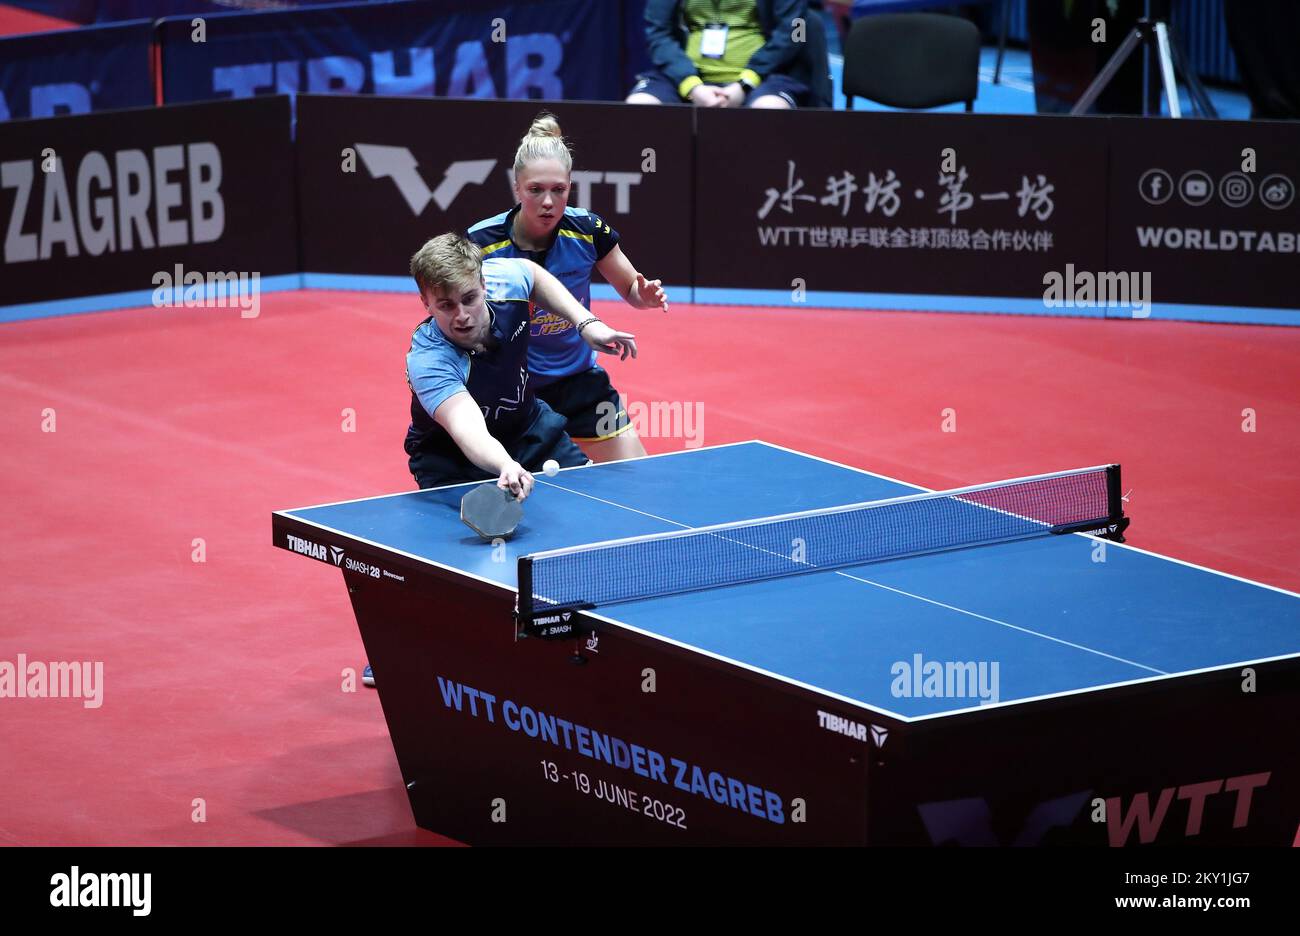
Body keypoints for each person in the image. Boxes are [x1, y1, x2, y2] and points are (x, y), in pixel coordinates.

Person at [362, 233, 637, 688]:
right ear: (425, 301)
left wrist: (586, 323)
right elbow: (468, 429)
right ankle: (398, 647)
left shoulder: (505, 278)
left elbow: (533, 274)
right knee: (450, 559)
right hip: (452, 458)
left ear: (482, 284)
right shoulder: (428, 357)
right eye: (445, 305)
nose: (462, 315)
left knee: (598, 506)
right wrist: (504, 464)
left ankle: (600, 622)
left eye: (469, 298)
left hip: (530, 427)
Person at [467, 113, 667, 464]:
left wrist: (644, 297)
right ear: (517, 187)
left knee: (638, 481)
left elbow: (631, 289)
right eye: (535, 190)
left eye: (558, 190)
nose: (548, 201)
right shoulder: (482, 242)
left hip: (579, 383)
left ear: (570, 187)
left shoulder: (588, 230)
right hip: (514, 391)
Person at [626, 0, 831, 110]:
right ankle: (657, 182)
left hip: (764, 78)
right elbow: (657, 31)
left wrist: (745, 84)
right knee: (640, 107)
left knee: (769, 110)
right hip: (685, 79)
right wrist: (692, 87)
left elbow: (793, 32)